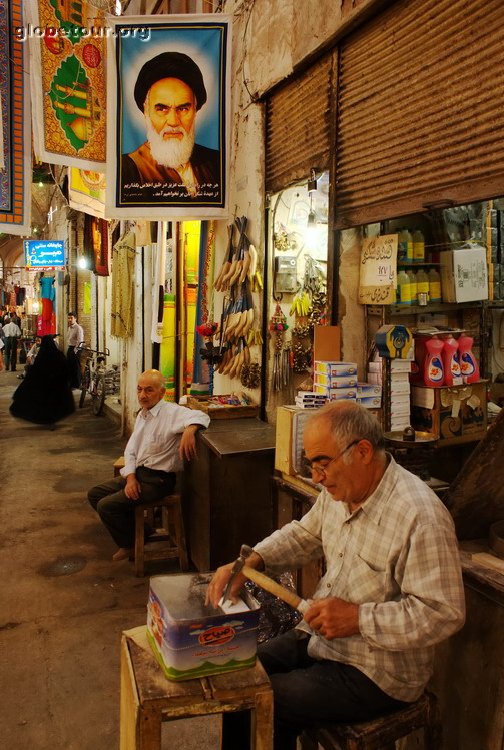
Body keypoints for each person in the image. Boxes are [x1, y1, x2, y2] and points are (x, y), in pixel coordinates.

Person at [207, 401, 465, 750]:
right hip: (321, 639)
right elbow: (306, 534)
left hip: (379, 671)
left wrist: (359, 618)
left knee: (266, 699)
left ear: (361, 452)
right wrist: (253, 561)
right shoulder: (340, 492)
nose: (315, 477)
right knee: (238, 676)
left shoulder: (419, 515)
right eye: (311, 464)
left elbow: (443, 612)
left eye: (322, 464)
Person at [88, 369, 210, 562]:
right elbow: (131, 451)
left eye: (149, 390)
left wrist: (190, 429)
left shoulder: (171, 412)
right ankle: (143, 532)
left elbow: (202, 416)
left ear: (161, 393)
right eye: (139, 390)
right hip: (140, 473)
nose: (142, 395)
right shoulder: (142, 415)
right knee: (95, 494)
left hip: (159, 481)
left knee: (106, 506)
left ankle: (129, 544)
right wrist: (130, 478)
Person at [121, 51, 221, 203]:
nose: (173, 121)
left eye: (183, 109)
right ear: (146, 112)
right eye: (162, 109)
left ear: (195, 111)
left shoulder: (215, 162)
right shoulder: (128, 169)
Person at [9, 334, 75, 426]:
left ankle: (47, 419)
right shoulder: (58, 355)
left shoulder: (41, 356)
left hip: (44, 387)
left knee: (45, 403)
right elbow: (64, 369)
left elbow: (35, 371)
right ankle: (52, 419)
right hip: (56, 386)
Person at [66, 312, 84, 389]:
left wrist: (75, 351)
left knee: (76, 367)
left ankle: (77, 384)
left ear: (75, 318)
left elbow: (80, 341)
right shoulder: (69, 328)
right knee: (70, 367)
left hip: (76, 349)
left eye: (71, 318)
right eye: (68, 318)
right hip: (70, 348)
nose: (69, 320)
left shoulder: (78, 328)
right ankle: (71, 384)